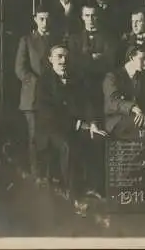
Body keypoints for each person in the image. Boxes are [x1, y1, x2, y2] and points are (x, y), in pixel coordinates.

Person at [35, 44, 106, 206]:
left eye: (65, 56)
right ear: (50, 59)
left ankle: (93, 187)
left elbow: (87, 104)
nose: (63, 60)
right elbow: (49, 114)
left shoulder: (76, 79)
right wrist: (79, 124)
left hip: (75, 126)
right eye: (59, 56)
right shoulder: (44, 82)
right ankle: (75, 195)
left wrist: (93, 123)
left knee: (98, 138)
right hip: (51, 129)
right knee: (68, 145)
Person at [15, 5, 60, 178]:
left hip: (53, 95)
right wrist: (38, 82)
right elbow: (20, 69)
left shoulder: (56, 39)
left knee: (52, 134)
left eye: (47, 19)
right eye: (41, 18)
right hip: (33, 96)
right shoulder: (26, 40)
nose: (44, 22)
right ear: (35, 19)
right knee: (35, 137)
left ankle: (51, 174)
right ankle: (37, 175)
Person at [103, 45, 145, 140]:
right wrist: (134, 108)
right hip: (116, 120)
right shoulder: (112, 77)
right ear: (131, 58)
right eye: (142, 59)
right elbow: (112, 101)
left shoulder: (141, 77)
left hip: (138, 117)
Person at [67, 4, 117, 120]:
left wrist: (85, 58)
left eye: (93, 15)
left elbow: (110, 62)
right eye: (87, 15)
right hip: (81, 87)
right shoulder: (74, 39)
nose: (90, 19)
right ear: (82, 17)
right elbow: (73, 63)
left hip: (102, 87)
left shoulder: (108, 38)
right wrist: (94, 57)